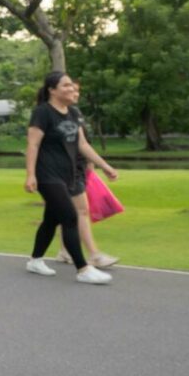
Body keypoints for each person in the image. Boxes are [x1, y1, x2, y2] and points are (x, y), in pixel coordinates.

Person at [24, 71, 118, 285]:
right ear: (52, 89)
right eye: (66, 86)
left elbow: (83, 145)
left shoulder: (73, 113)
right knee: (70, 217)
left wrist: (105, 166)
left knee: (51, 219)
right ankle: (83, 268)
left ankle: (35, 260)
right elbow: (33, 144)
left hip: (67, 176)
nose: (71, 89)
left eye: (72, 86)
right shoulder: (42, 112)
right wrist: (30, 174)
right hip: (47, 175)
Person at [55, 83, 119, 268]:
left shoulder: (75, 113)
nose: (75, 93)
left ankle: (64, 251)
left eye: (77, 90)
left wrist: (95, 165)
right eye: (71, 90)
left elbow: (83, 143)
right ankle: (94, 255)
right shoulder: (49, 115)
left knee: (64, 213)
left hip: (78, 168)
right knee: (81, 211)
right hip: (64, 170)